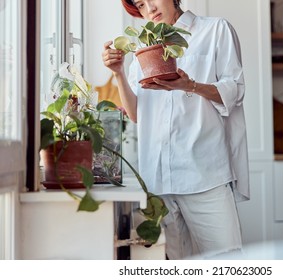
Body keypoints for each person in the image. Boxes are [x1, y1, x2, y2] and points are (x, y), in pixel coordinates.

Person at [102, 0, 249, 260]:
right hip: (157, 182)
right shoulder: (143, 47)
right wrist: (118, 74)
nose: (150, 8)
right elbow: (136, 114)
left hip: (205, 176)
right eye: (141, 4)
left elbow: (235, 90)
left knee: (227, 264)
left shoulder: (214, 30)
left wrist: (190, 86)